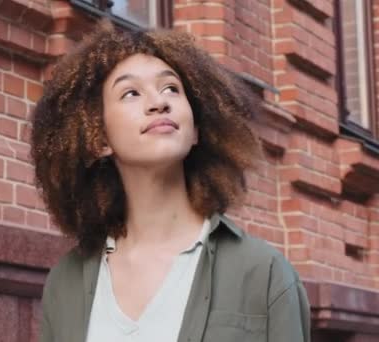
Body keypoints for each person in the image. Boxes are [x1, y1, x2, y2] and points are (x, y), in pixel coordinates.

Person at [31, 21, 310, 342]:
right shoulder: (66, 283)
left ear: (195, 131)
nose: (158, 102)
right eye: (131, 92)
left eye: (171, 89)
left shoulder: (264, 273)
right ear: (98, 138)